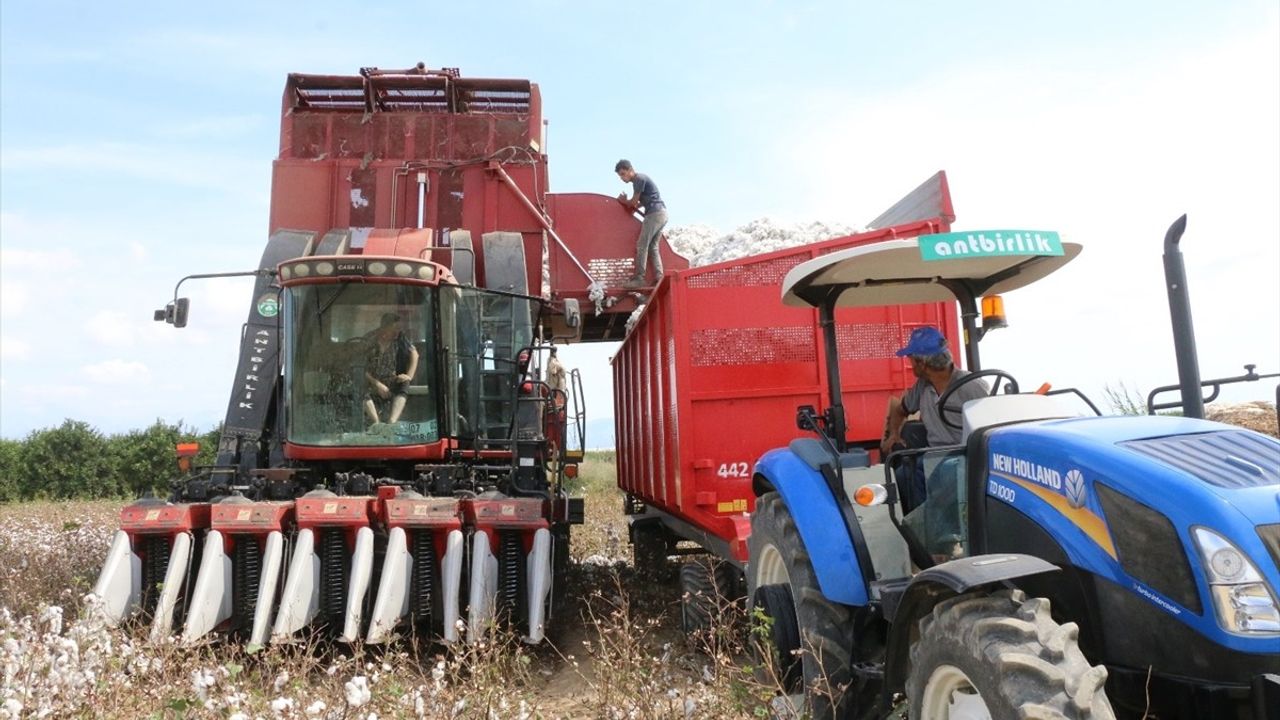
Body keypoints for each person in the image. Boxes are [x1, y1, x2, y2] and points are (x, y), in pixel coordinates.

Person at [880, 326, 989, 511]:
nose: (910, 364)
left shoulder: (972, 386)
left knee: (925, 474)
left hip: (966, 453)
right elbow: (900, 410)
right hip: (936, 454)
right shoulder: (922, 386)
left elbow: (990, 422)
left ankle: (936, 527)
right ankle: (921, 526)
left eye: (911, 359)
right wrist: (894, 434)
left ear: (922, 363)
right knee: (903, 473)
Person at [614, 159, 668, 288]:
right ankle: (659, 277)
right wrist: (629, 203)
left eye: (623, 174)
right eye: (620, 175)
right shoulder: (642, 180)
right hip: (662, 213)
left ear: (630, 170)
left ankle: (639, 278)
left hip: (654, 214)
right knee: (653, 247)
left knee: (642, 245)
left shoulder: (638, 180)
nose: (622, 178)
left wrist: (623, 201)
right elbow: (638, 203)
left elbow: (633, 202)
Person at [363, 312, 419, 425]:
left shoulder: (400, 338)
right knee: (359, 386)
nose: (398, 331)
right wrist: (377, 384)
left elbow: (415, 354)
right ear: (385, 327)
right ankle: (376, 423)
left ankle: (392, 422)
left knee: (404, 383)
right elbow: (360, 368)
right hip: (370, 382)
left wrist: (409, 376)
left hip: (390, 379)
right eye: (395, 328)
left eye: (399, 328)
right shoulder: (369, 340)